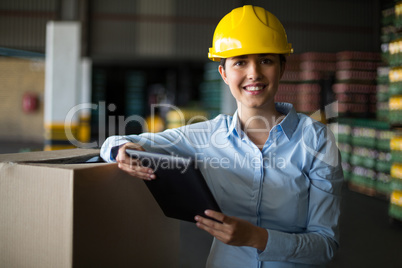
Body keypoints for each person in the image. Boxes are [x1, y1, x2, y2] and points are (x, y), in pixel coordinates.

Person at [100, 5, 343, 268]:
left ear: (282, 68)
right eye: (240, 62)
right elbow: (119, 142)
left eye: (266, 60)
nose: (254, 73)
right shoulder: (206, 136)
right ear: (224, 73)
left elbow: (325, 245)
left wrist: (258, 238)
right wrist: (120, 149)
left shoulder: (317, 141)